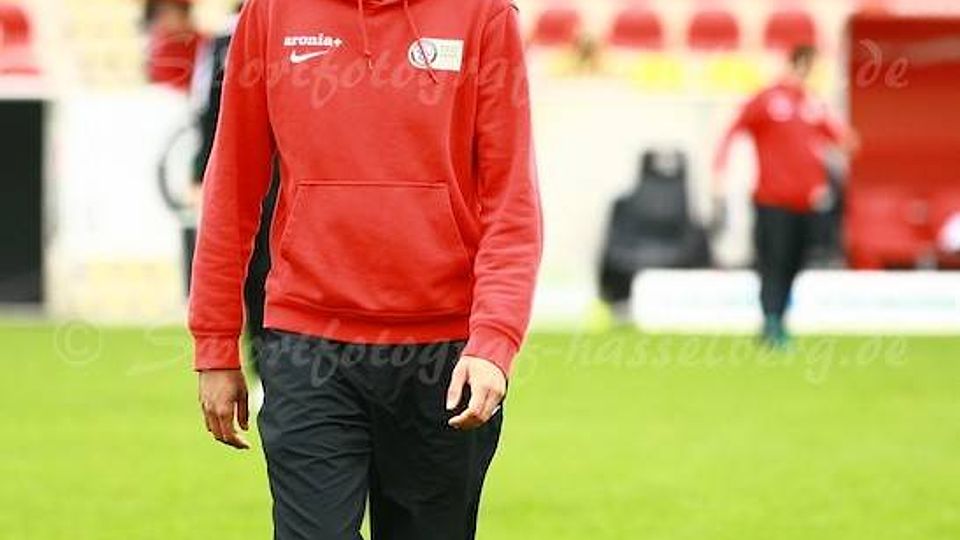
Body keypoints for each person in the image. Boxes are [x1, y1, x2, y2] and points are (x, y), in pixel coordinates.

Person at [188, 0, 542, 538]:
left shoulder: (485, 15)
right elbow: (232, 186)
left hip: (445, 356)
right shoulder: (271, 12)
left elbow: (511, 202)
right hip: (308, 344)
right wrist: (214, 342)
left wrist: (494, 343)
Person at [713, 45, 858, 348]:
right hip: (772, 199)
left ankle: (779, 319)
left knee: (794, 262)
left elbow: (844, 140)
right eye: (809, 67)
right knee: (773, 263)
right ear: (796, 65)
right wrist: (721, 169)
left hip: (806, 201)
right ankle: (771, 321)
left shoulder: (812, 104)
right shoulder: (768, 100)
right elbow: (733, 129)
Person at [189, 1, 277, 378]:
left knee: (270, 273)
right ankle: (263, 366)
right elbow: (209, 108)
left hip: (289, 172)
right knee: (255, 274)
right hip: (252, 168)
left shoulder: (288, 20)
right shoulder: (228, 35)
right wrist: (201, 170)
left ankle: (272, 366)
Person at [144, 0, 204, 92]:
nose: (160, 18)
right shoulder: (159, 40)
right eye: (157, 12)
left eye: (165, 12)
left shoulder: (199, 42)